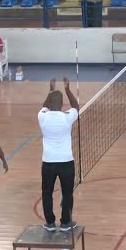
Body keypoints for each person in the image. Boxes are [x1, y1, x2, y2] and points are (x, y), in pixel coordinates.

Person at [38, 77, 79, 232]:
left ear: (49, 102)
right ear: (62, 104)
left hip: (48, 162)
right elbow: (76, 106)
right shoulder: (66, 117)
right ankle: (65, 223)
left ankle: (49, 223)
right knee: (67, 193)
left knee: (47, 192)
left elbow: (44, 106)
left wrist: (50, 91)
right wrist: (67, 90)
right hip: (66, 162)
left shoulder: (42, 117)